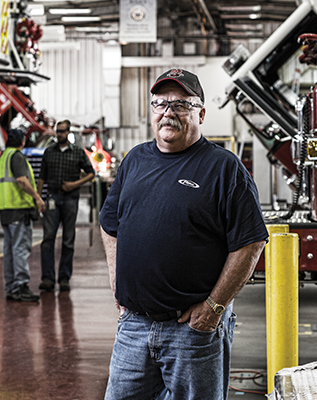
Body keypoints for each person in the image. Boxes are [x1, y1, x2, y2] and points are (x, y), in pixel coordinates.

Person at [99, 69, 268, 399]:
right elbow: (110, 226)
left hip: (192, 331)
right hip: (133, 326)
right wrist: (117, 282)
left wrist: (214, 308)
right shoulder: (134, 160)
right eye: (160, 103)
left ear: (201, 113)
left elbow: (250, 242)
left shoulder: (223, 168)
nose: (168, 112)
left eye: (180, 105)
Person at [37, 120, 95, 292]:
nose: (59, 134)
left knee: (68, 240)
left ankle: (64, 278)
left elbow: (91, 173)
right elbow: (42, 177)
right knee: (48, 239)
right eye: (57, 131)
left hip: (70, 199)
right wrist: (40, 198)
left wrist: (74, 184)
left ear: (68, 132)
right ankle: (47, 278)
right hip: (52, 198)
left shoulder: (77, 152)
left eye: (62, 131)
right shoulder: (49, 152)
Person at [0, 129, 46, 302]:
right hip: (18, 208)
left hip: (5, 208)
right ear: (22, 142)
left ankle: (11, 286)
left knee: (9, 249)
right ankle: (21, 285)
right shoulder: (17, 157)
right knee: (20, 248)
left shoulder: (4, 157)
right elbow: (22, 181)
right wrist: (38, 198)